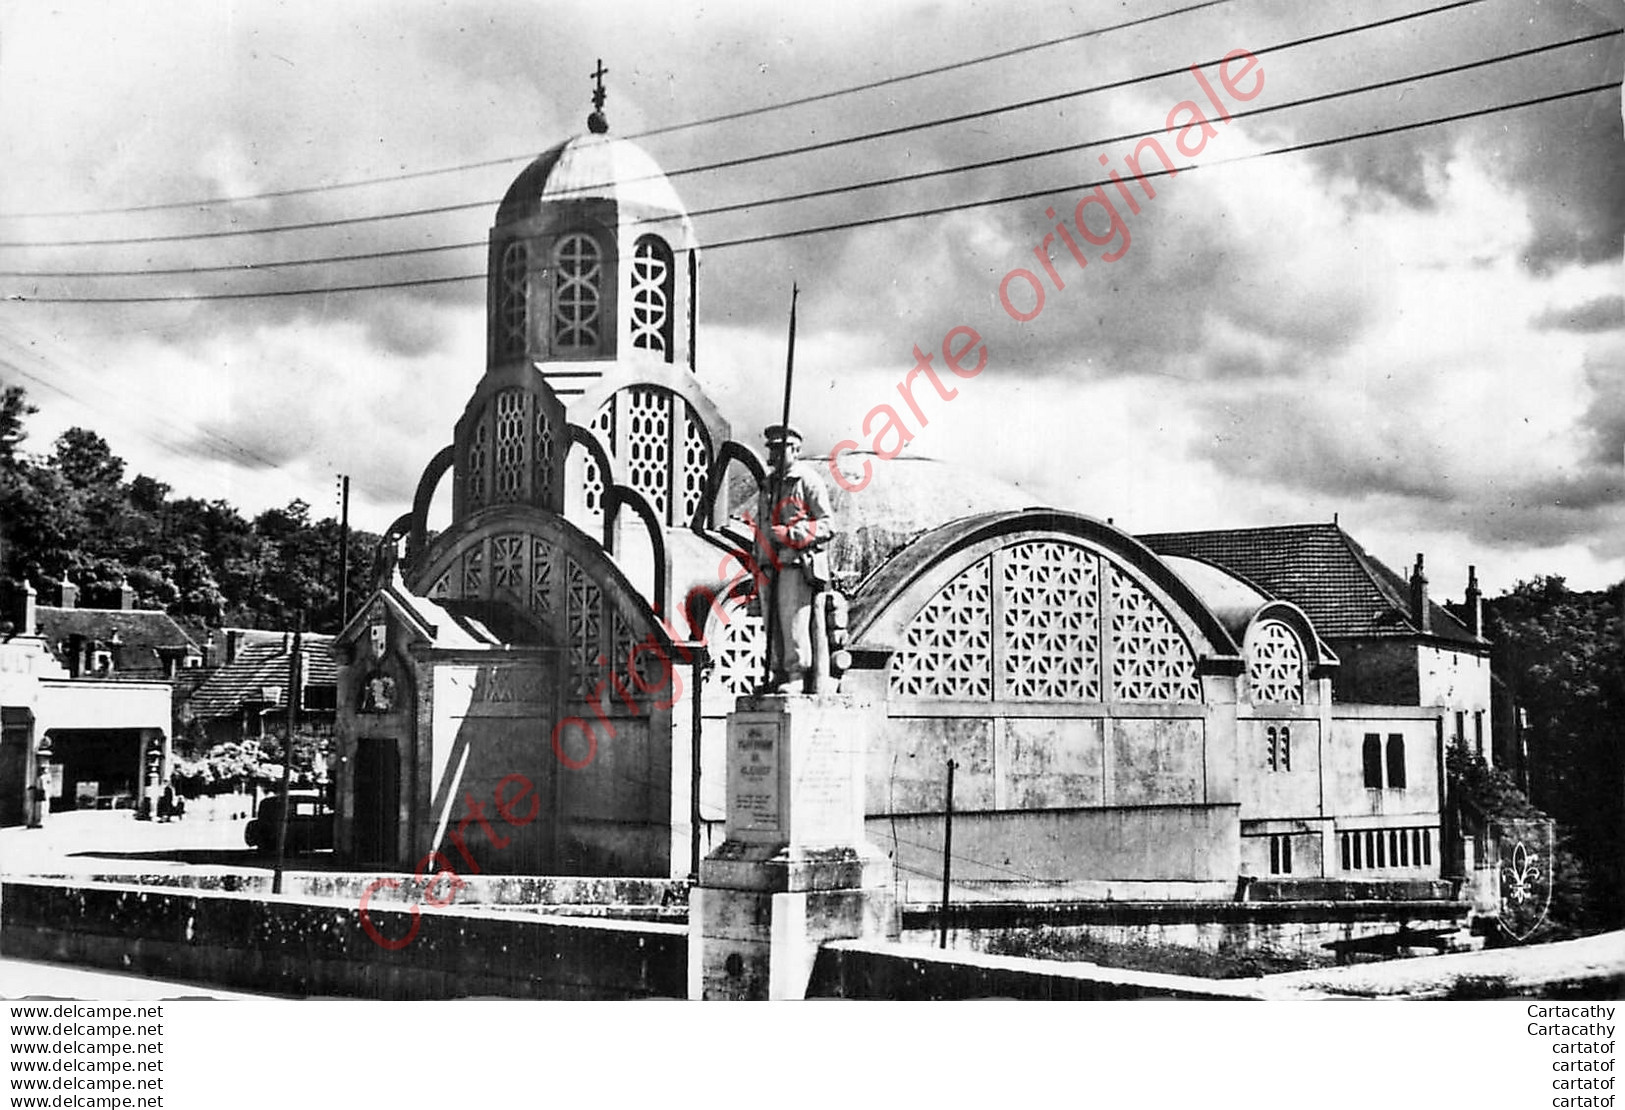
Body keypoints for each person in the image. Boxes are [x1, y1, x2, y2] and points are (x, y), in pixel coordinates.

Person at [755, 424, 835, 694]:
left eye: (781, 448)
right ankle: (777, 673)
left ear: (796, 450)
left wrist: (791, 534)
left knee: (793, 621)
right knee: (772, 623)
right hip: (769, 563)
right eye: (772, 449)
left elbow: (826, 525)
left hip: (795, 563)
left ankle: (796, 675)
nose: (775, 454)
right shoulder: (768, 485)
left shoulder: (808, 481)